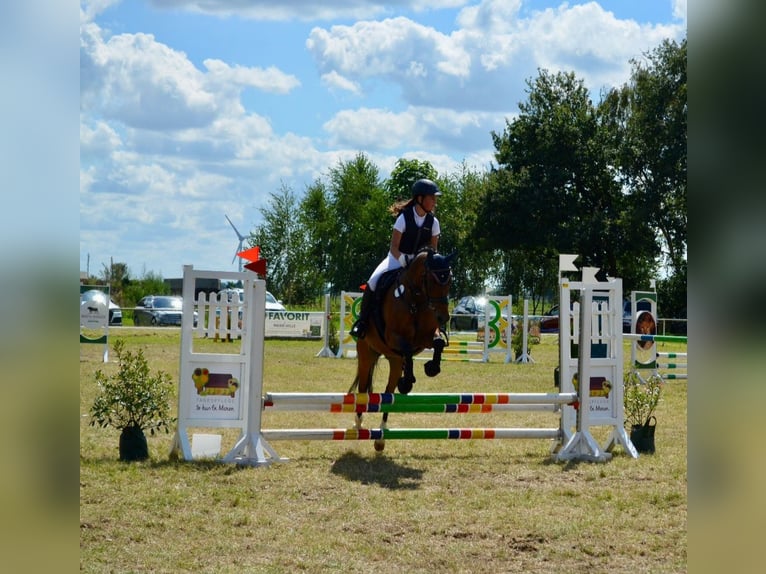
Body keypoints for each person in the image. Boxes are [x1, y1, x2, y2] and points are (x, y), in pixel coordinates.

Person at [350, 178, 442, 338]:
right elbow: (394, 246)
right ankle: (362, 322)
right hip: (397, 258)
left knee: (436, 284)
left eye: (435, 198)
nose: (434, 201)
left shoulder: (433, 222)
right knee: (373, 281)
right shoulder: (404, 218)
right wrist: (402, 260)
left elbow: (433, 249)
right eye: (431, 198)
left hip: (420, 263)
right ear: (420, 199)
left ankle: (438, 326)